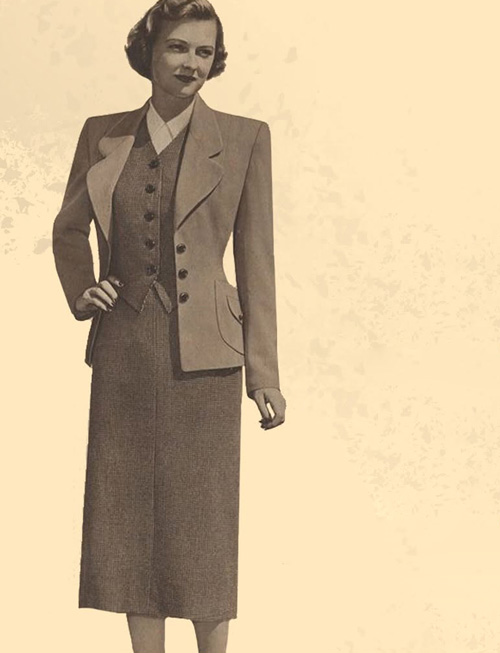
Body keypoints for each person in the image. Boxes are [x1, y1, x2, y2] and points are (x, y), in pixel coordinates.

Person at [52, 1, 286, 651]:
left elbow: (258, 262)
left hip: (208, 356)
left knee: (201, 521)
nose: (191, 64)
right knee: (128, 522)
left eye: (204, 52)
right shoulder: (102, 134)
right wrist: (82, 288)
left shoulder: (245, 138)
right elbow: (68, 229)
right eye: (178, 48)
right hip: (124, 348)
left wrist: (264, 372)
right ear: (148, 53)